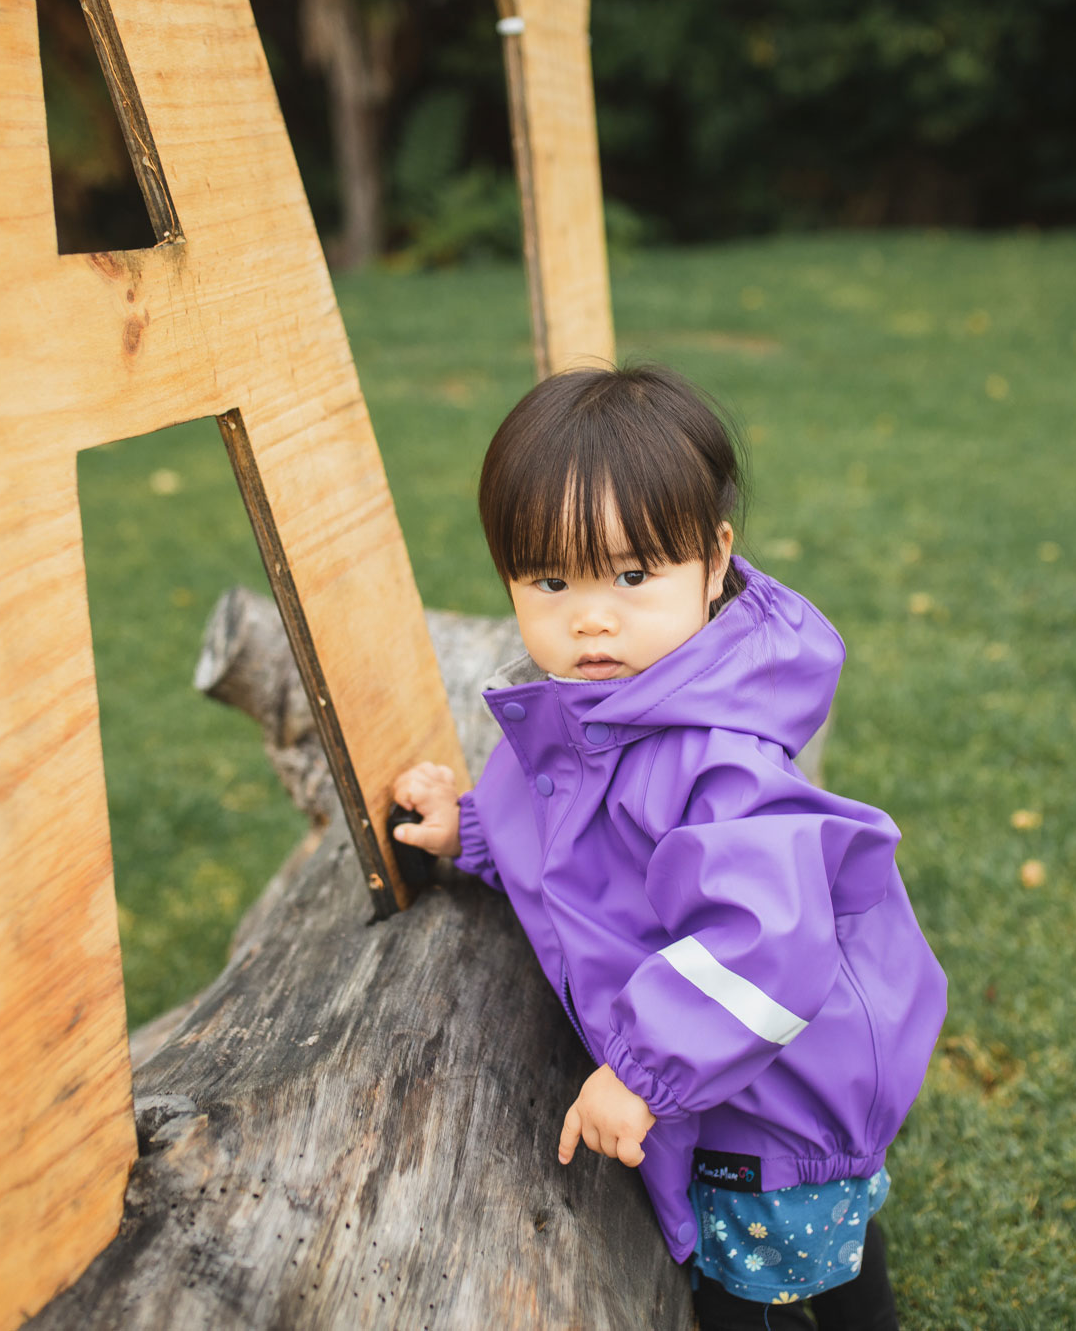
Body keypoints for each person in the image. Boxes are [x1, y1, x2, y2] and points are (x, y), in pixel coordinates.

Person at [391, 364, 946, 1330]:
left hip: (768, 1093)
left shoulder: (711, 758)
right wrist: (471, 830)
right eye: (548, 580)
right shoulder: (602, 712)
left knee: (746, 1284)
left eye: (633, 575)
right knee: (827, 1249)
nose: (590, 615)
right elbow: (583, 858)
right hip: (727, 1073)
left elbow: (764, 943)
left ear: (715, 557)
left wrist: (644, 1074)